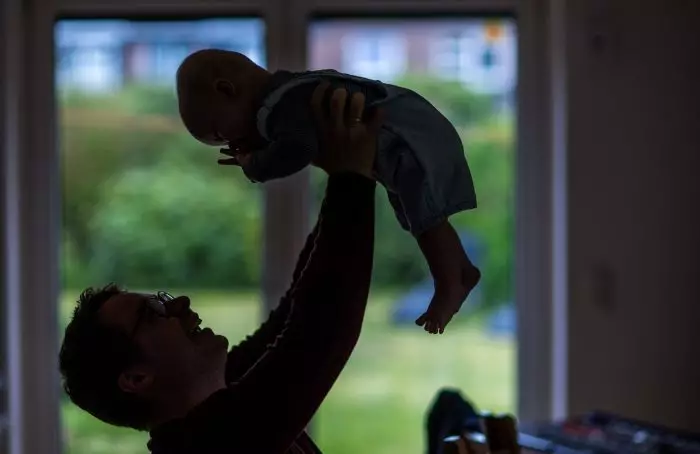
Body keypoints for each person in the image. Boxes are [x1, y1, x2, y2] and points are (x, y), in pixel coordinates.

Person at [59, 83, 380, 454]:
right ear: (137, 378)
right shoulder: (210, 445)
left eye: (162, 298)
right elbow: (320, 333)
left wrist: (344, 169)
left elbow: (299, 312)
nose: (179, 303)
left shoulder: (222, 388)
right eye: (153, 313)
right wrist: (351, 178)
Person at [176, 49, 481, 334]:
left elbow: (299, 148)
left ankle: (448, 282)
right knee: (420, 217)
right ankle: (460, 270)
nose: (230, 143)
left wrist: (255, 166)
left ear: (226, 89)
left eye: (220, 134)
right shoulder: (291, 93)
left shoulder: (284, 103)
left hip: (407, 138)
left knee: (425, 218)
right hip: (408, 136)